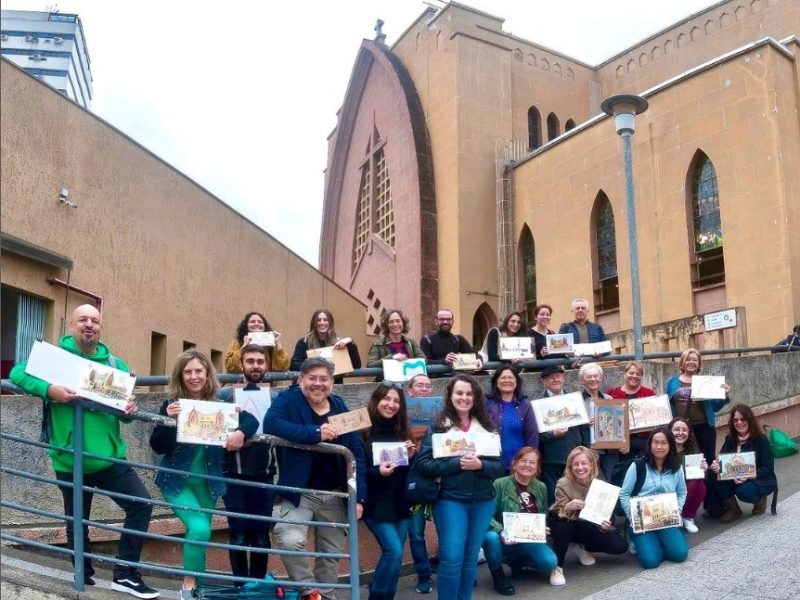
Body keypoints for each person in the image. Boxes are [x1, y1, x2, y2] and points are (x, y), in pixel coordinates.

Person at [9, 304, 159, 599]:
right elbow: (17, 371)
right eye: (83, 320)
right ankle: (83, 577)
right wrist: (49, 389)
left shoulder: (114, 365)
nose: (89, 324)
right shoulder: (55, 358)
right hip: (69, 458)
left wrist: (130, 408)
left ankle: (125, 574)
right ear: (72, 325)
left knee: (141, 504)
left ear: (100, 327)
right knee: (77, 522)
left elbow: (125, 415)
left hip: (109, 457)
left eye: (95, 320)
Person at [150, 349, 256, 599]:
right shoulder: (171, 405)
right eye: (188, 372)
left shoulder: (221, 404)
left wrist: (240, 433)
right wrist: (167, 420)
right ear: (180, 375)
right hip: (176, 482)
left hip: (209, 484)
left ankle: (197, 585)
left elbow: (251, 421)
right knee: (199, 530)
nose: (194, 376)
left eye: (199, 371)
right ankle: (188, 585)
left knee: (199, 534)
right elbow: (158, 446)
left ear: (208, 374)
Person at [264, 357, 367, 600]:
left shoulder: (339, 405)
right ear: (301, 379)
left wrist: (359, 496)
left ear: (332, 382)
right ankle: (310, 594)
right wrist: (314, 433)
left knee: (330, 556)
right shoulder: (289, 400)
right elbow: (271, 423)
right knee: (290, 540)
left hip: (335, 493)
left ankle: (326, 597)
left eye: (324, 379)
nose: (318, 384)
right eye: (312, 378)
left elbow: (357, 454)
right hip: (300, 493)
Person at [415, 375, 505, 600]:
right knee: (452, 557)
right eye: (459, 393)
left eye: (468, 393)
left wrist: (480, 464)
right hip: (450, 500)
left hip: (483, 501)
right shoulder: (438, 427)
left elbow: (499, 467)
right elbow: (424, 464)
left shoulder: (487, 427)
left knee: (470, 557)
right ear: (450, 396)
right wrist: (458, 463)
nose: (463, 398)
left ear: (475, 397)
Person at [218, 344, 276, 584]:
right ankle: (240, 588)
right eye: (250, 360)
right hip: (234, 476)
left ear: (267, 365)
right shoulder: (224, 395)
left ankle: (258, 588)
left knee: (261, 537)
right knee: (239, 536)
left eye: (260, 361)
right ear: (241, 364)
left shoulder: (276, 398)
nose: (255, 365)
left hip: (265, 476)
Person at [361, 382, 416, 600]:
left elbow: (406, 473)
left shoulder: (402, 432)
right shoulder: (363, 433)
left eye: (396, 401)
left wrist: (410, 459)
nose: (391, 404)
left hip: (400, 501)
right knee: (393, 552)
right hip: (376, 502)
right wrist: (379, 473)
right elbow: (356, 469)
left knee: (397, 554)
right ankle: (376, 595)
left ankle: (388, 595)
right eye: (387, 399)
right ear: (377, 400)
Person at [482, 447, 558, 596]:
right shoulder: (499, 484)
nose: (527, 465)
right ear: (514, 463)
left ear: (536, 468)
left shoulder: (541, 487)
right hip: (503, 539)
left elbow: (542, 513)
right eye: (523, 460)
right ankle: (498, 577)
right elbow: (486, 516)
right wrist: (501, 531)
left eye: (532, 462)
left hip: (527, 539)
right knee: (490, 537)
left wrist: (541, 528)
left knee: (550, 562)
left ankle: (517, 563)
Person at [548, 446, 627, 585]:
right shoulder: (563, 483)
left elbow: (607, 517)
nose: (580, 468)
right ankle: (557, 566)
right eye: (576, 464)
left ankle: (580, 546)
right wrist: (568, 507)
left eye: (584, 463)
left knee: (620, 546)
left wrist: (604, 525)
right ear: (570, 466)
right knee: (562, 526)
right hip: (566, 523)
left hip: (586, 525)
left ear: (591, 465)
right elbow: (557, 513)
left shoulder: (601, 486)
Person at [665, 348, 729, 517]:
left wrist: (724, 395)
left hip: (704, 428)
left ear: (699, 363)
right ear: (682, 362)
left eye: (695, 360)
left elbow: (714, 406)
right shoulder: (672, 382)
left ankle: (712, 506)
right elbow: (667, 405)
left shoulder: (705, 381)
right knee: (685, 466)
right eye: (688, 359)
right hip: (682, 430)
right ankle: (683, 508)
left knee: (708, 465)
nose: (691, 362)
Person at [619, 428, 688, 569]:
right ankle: (638, 539)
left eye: (663, 443)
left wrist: (678, 511)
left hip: (666, 518)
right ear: (649, 444)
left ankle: (657, 541)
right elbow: (624, 494)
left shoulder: (677, 468)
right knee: (651, 561)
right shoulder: (637, 466)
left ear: (670, 446)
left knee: (679, 555)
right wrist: (632, 518)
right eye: (655, 442)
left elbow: (682, 493)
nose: (658, 447)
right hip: (642, 520)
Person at [710, 404, 777, 523]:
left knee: (743, 492)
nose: (739, 423)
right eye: (735, 420)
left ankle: (760, 500)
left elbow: (768, 468)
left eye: (743, 419)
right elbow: (723, 460)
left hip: (759, 479)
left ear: (749, 420)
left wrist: (748, 475)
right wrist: (716, 465)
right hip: (735, 476)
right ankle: (734, 509)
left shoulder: (761, 440)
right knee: (712, 474)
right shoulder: (730, 438)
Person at [538, 365, 590, 505]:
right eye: (551, 377)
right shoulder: (538, 404)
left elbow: (584, 428)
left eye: (558, 376)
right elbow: (535, 435)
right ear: (544, 381)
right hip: (552, 461)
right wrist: (552, 434)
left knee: (579, 498)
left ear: (563, 379)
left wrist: (586, 450)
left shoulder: (574, 399)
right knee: (554, 499)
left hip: (575, 459)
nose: (555, 379)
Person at [405, 374, 436, 594]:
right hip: (413, 485)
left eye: (427, 385)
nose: (424, 389)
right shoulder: (399, 416)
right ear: (410, 391)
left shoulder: (441, 416)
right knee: (416, 534)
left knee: (447, 530)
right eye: (419, 385)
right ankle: (423, 574)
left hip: (439, 482)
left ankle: (453, 570)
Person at [484, 366, 538, 470]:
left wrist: (530, 461)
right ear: (496, 381)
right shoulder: (487, 405)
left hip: (519, 466)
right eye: (503, 378)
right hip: (493, 464)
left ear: (516, 381)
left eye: (510, 377)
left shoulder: (525, 405)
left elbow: (532, 436)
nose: (507, 380)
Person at [579, 363, 621, 484]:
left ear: (601, 378)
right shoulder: (578, 401)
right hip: (589, 449)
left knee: (611, 482)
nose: (593, 379)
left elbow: (616, 424)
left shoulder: (608, 399)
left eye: (596, 376)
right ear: (583, 380)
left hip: (609, 450)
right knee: (593, 482)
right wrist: (584, 423)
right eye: (589, 377)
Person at [606, 361, 657, 458]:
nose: (634, 376)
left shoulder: (649, 393)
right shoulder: (612, 393)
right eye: (631, 373)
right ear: (625, 374)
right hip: (619, 444)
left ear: (642, 377)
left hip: (643, 442)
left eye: (638, 374)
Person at [290, 309, 362, 377]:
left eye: (325, 320)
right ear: (314, 323)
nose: (322, 323)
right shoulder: (304, 342)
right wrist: (315, 366)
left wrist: (350, 342)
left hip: (334, 386)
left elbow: (356, 365)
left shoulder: (339, 343)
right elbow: (294, 365)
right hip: (313, 385)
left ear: (330, 323)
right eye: (318, 320)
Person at [669, 417, 706, 533]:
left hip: (683, 487)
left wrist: (702, 469)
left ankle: (687, 517)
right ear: (669, 431)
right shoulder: (663, 448)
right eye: (676, 430)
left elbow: (695, 476)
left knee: (699, 485)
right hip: (665, 487)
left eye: (684, 430)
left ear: (689, 433)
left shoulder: (691, 450)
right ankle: (674, 516)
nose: (680, 433)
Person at [224, 311, 290, 374]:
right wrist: (244, 346)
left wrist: (277, 342)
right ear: (246, 326)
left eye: (260, 322)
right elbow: (230, 366)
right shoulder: (238, 342)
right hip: (242, 384)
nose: (256, 324)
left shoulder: (271, 345)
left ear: (264, 327)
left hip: (266, 384)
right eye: (252, 321)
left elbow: (282, 367)